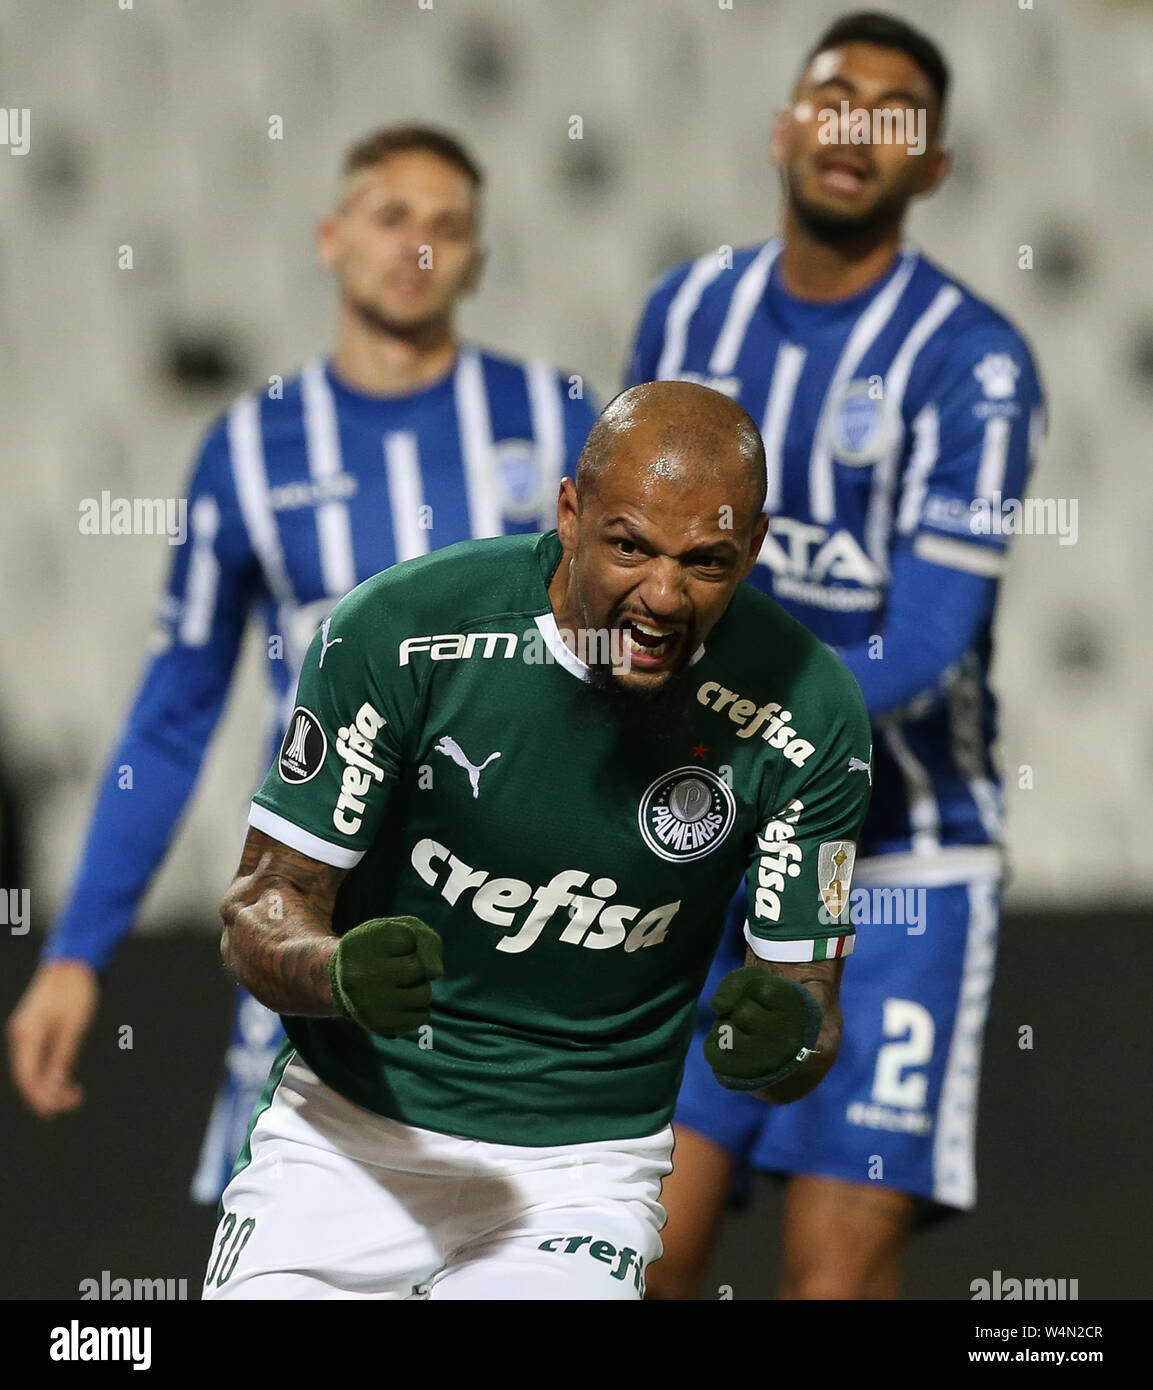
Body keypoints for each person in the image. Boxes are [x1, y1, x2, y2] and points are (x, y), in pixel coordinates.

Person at [6, 124, 596, 1204]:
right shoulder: (248, 447)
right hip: (307, 924)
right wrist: (78, 954)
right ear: (331, 238)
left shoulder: (560, 425)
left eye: (448, 226)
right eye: (391, 217)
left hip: (524, 934)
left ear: (476, 259)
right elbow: (174, 716)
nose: (417, 246)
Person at [202, 380, 872, 1300]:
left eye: (707, 562)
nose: (663, 596)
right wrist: (335, 972)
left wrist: (790, 1041)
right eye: (629, 547)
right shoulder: (399, 632)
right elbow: (259, 908)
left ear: (754, 548)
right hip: (347, 1140)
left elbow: (810, 1007)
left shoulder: (812, 714)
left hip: (580, 1176)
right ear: (569, 512)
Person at [627, 12, 1044, 1299]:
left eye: (896, 111)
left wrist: (708, 702)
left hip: (900, 871)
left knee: (832, 1272)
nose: (857, 125)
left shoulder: (971, 366)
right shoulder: (688, 309)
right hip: (702, 852)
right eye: (834, 95)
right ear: (784, 127)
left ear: (933, 166)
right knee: (639, 1251)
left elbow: (920, 644)